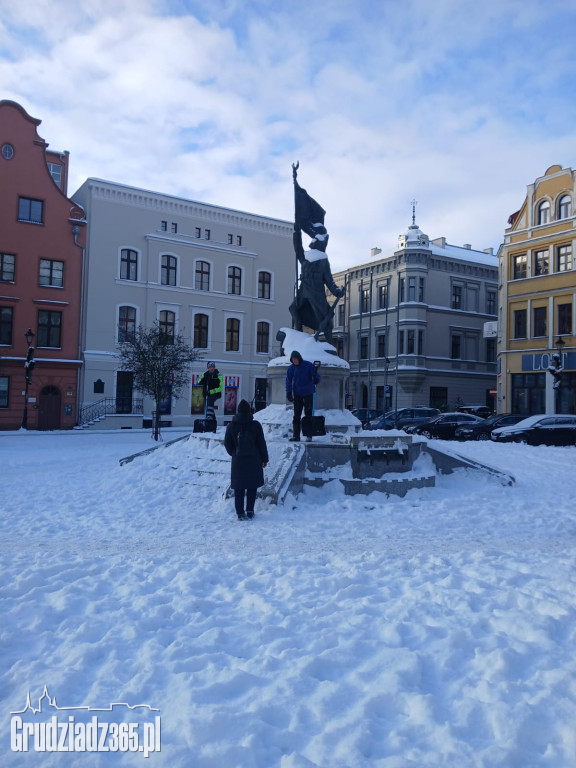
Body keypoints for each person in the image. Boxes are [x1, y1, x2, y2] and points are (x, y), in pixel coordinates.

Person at [288, 226, 344, 344]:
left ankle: (329, 345)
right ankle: (298, 333)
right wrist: (297, 232)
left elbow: (328, 279)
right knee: (293, 309)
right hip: (303, 289)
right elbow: (297, 247)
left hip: (316, 291)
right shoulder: (306, 255)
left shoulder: (323, 259)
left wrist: (336, 291)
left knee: (324, 317)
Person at [224, 399, 269, 521]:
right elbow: (261, 443)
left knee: (239, 487)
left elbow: (227, 444)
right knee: (251, 486)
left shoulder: (231, 426)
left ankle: (240, 513)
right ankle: (250, 510)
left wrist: (234, 453)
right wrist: (264, 458)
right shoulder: (256, 425)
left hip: (238, 461)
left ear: (237, 411)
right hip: (254, 460)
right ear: (249, 411)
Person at [285, 350, 320, 442]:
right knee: (296, 415)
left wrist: (316, 379)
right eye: (293, 360)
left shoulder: (308, 365)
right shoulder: (291, 368)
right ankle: (296, 436)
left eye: (295, 359)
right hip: (297, 394)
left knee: (308, 414)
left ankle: (309, 434)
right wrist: (288, 392)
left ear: (299, 358)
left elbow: (316, 375)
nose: (294, 361)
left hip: (308, 393)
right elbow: (288, 380)